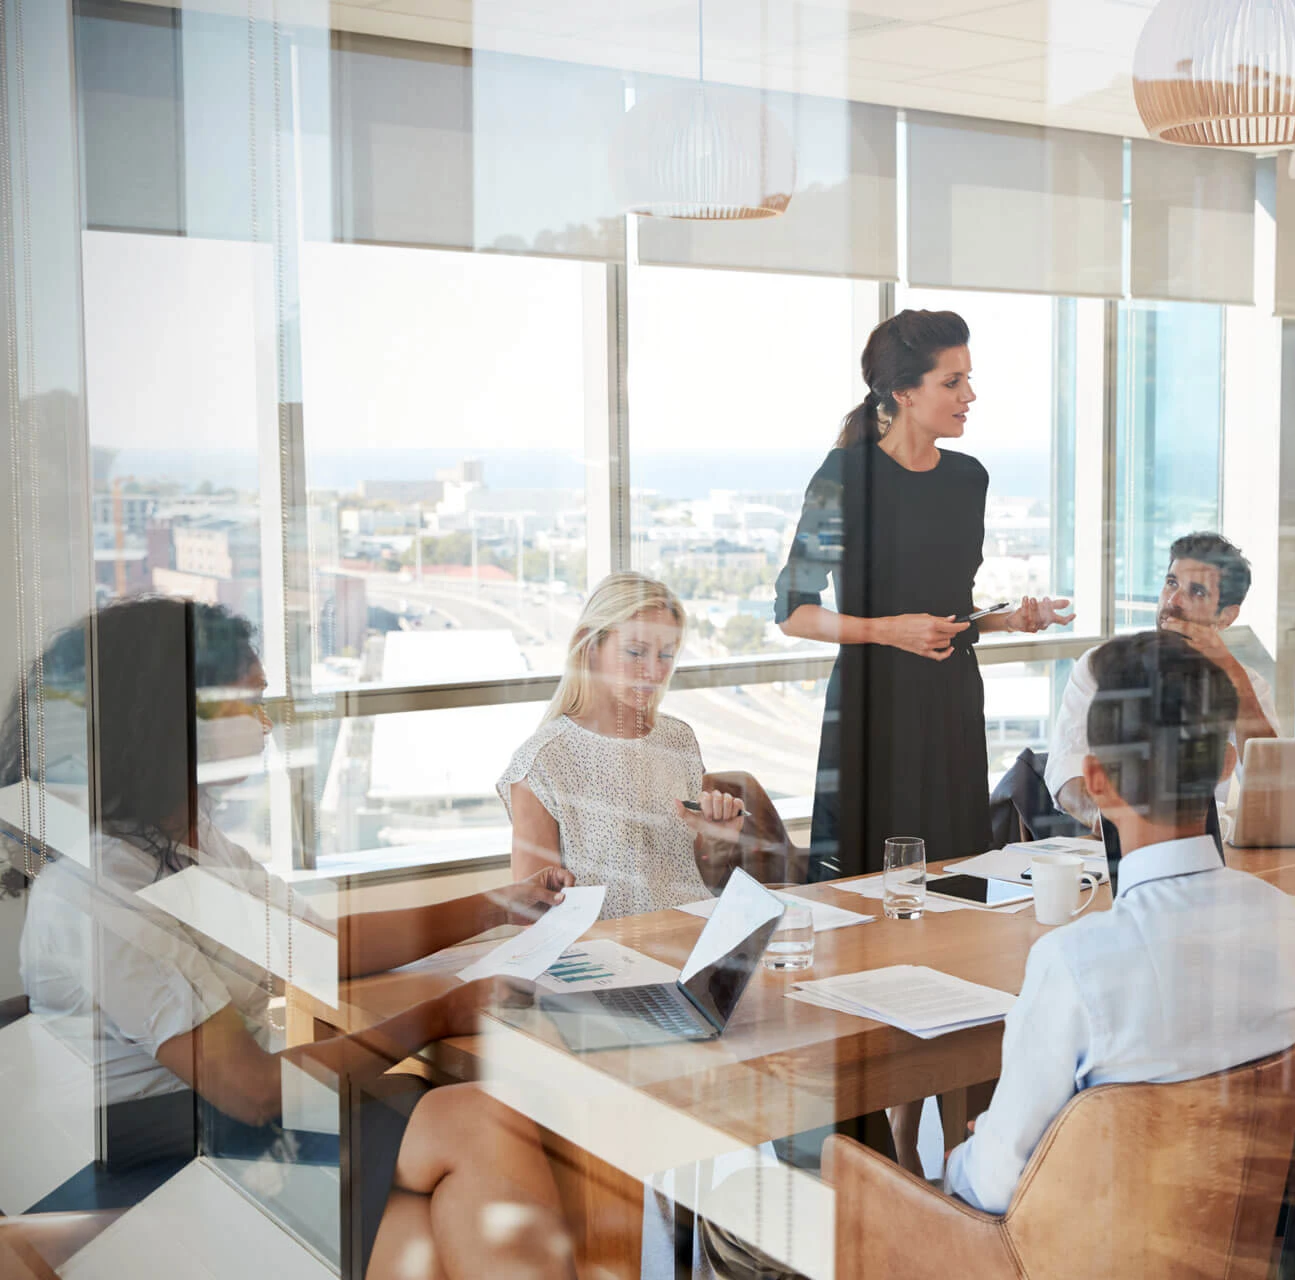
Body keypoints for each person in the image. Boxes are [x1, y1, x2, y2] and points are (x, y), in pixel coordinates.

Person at [10, 597, 577, 1279]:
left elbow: (314, 948)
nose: (266, 724)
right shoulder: (106, 887)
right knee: (480, 1121)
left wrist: (492, 907)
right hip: (157, 1166)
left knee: (432, 1229)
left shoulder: (182, 845)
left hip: (208, 1136)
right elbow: (252, 1090)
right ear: (173, 720)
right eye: (247, 702)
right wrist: (442, 1014)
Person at [943, 630, 1295, 1212]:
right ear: (1225, 763)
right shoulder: (1282, 924)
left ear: (1096, 781)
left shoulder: (1074, 963)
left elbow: (996, 1185)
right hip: (1237, 1248)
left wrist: (961, 1160)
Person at [775, 309, 1072, 882]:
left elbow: (949, 611)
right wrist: (889, 630)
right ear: (904, 393)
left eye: (968, 378)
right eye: (952, 382)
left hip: (952, 701)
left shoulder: (968, 479)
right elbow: (793, 612)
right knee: (867, 886)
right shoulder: (844, 478)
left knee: (958, 873)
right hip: (873, 709)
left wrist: (1008, 619)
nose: (971, 395)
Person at [502, 573, 748, 918]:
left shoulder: (679, 740)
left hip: (692, 939)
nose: (654, 672)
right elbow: (532, 917)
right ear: (591, 646)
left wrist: (718, 842)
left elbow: (697, 881)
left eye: (666, 654)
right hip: (608, 959)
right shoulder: (542, 763)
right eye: (635, 652)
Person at [1045, 531, 1278, 833]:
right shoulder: (1101, 666)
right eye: (1171, 583)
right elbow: (1066, 770)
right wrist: (1112, 823)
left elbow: (1274, 781)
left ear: (1226, 616)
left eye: (1196, 592)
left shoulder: (1248, 684)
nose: (1173, 601)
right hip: (1118, 848)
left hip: (1212, 848)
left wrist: (1235, 678)